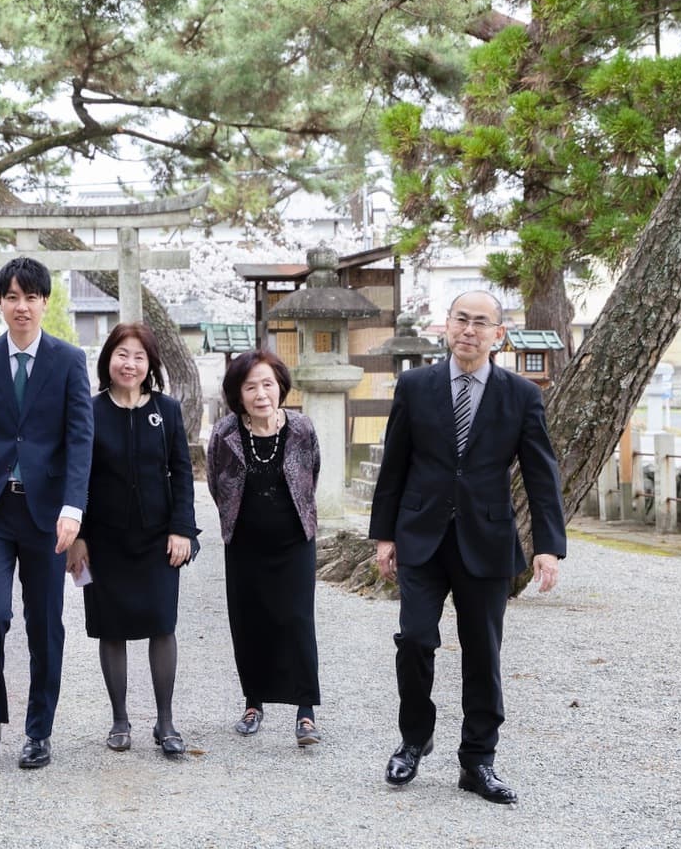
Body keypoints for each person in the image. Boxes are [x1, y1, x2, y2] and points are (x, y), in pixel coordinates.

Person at [370, 291, 566, 805]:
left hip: (486, 537)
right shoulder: (415, 386)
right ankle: (414, 739)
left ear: (498, 335)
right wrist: (385, 534)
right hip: (421, 535)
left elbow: (542, 476)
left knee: (483, 652)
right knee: (414, 639)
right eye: (462, 319)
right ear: (446, 325)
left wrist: (549, 546)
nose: (470, 330)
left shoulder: (521, 395)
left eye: (482, 323)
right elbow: (395, 464)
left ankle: (478, 760)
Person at [0, 257, 94, 771]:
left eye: (31, 297)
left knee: (45, 624)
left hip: (47, 515)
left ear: (45, 302)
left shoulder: (67, 360)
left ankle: (39, 730)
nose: (22, 306)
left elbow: (80, 440)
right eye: (12, 297)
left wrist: (73, 507)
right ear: (0, 302)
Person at [67, 323, 197, 758]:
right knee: (112, 628)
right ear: (108, 359)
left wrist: (182, 528)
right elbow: (78, 477)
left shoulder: (168, 410)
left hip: (159, 538)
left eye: (139, 356)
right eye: (122, 354)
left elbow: (182, 473)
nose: (130, 363)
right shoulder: (91, 410)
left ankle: (165, 721)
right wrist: (78, 537)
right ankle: (120, 719)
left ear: (150, 364)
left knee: (162, 624)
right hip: (104, 540)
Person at [206, 350, 324, 748]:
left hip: (294, 542)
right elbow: (214, 482)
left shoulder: (302, 428)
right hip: (244, 543)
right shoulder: (224, 433)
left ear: (281, 387)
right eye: (251, 386)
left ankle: (305, 711)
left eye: (268, 384)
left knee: (296, 621)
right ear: (238, 393)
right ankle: (253, 703)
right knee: (249, 622)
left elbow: (312, 476)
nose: (261, 394)